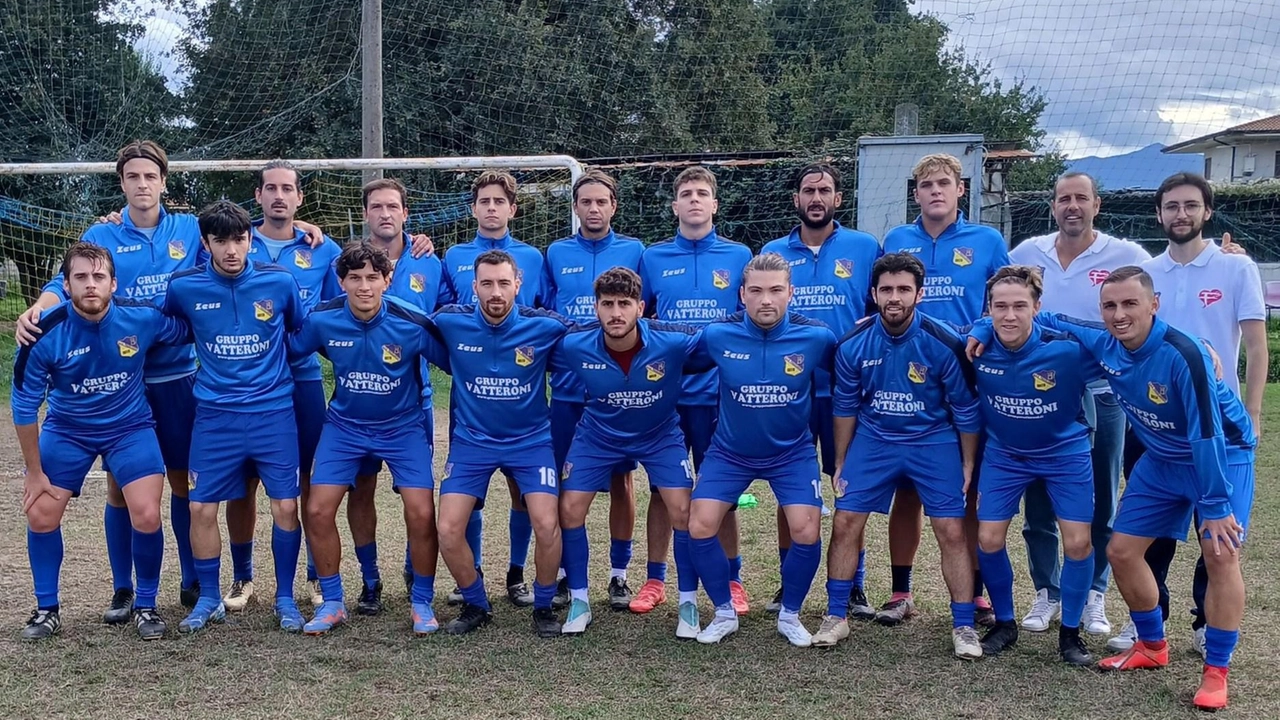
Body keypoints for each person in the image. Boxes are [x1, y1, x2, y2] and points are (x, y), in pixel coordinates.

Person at [14, 142, 325, 617]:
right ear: (122, 183)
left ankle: (192, 583)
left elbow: (240, 239)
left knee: (182, 484)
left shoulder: (187, 228)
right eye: (133, 177)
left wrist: (296, 226)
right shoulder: (104, 230)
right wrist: (43, 301)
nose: (142, 185)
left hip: (179, 379)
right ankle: (123, 589)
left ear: (164, 182)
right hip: (127, 382)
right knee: (122, 485)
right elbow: (73, 275)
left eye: (150, 177)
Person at [967, 265, 1255, 711]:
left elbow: (1207, 435)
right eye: (1110, 306)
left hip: (1221, 456)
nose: (1119, 315)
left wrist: (1215, 504)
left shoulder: (1186, 353)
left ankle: (1216, 671)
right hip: (1161, 460)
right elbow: (1049, 320)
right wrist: (987, 321)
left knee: (1220, 553)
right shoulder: (1105, 343)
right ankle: (1152, 646)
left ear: (1154, 304)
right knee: (1121, 551)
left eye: (1130, 304)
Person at [1108, 173, 1268, 658]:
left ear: (1207, 212)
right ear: (1158, 214)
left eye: (1190, 206)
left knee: (1215, 535)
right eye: (1171, 206)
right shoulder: (1145, 270)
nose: (1181, 214)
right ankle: (1149, 626)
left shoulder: (1236, 268)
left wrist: (1254, 410)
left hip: (1213, 425)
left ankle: (1206, 622)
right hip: (1153, 423)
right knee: (1144, 532)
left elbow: (1257, 346)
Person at [13, 243, 191, 641]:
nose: (90, 285)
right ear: (65, 284)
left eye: (98, 277)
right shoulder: (43, 332)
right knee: (40, 514)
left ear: (113, 282)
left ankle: (146, 604)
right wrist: (35, 472)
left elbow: (189, 328)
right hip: (67, 430)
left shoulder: (141, 317)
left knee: (145, 513)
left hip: (130, 427)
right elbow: (24, 407)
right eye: (80, 277)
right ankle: (47, 609)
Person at [815, 252, 983, 659]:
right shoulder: (853, 343)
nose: (895, 297)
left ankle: (963, 625)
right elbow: (845, 405)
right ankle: (836, 615)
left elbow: (964, 407)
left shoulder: (944, 342)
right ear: (873, 294)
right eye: (886, 289)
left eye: (903, 289)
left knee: (951, 530)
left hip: (933, 440)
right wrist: (841, 459)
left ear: (919, 294)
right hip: (875, 438)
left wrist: (966, 462)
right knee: (845, 519)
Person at [1007, 171, 1149, 636]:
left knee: (1102, 500)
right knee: (1040, 501)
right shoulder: (1028, 252)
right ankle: (1047, 591)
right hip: (1041, 398)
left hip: (1104, 396)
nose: (1072, 206)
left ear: (1096, 205)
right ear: (1053, 206)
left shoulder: (1124, 254)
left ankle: (1093, 594)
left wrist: (1227, 256)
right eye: (1064, 198)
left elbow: (1166, 280)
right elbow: (1002, 301)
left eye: (1081, 198)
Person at [161, 201, 306, 634]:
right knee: (201, 506)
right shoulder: (184, 287)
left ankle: (284, 597)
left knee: (285, 505)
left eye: (239, 239)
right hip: (214, 415)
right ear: (205, 243)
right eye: (220, 240)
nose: (231, 249)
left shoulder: (279, 281)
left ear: (250, 240)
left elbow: (298, 330)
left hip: (273, 412)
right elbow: (169, 328)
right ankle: (209, 597)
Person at [878, 153, 1010, 626]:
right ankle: (900, 591)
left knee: (967, 488)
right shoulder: (897, 239)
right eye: (926, 184)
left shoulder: (987, 240)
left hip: (968, 376)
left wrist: (976, 331)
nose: (935, 190)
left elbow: (1005, 297)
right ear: (916, 193)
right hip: (908, 377)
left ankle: (975, 591)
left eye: (944, 183)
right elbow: (885, 298)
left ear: (960, 191)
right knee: (907, 490)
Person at [290, 242, 443, 636]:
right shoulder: (323, 319)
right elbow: (286, 349)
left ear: (387, 280)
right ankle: (334, 601)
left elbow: (459, 360)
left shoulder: (412, 322)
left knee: (422, 511)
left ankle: (422, 602)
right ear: (341, 281)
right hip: (345, 427)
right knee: (319, 510)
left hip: (402, 427)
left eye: (372, 277)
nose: (363, 286)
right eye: (354, 278)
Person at [686, 253, 836, 647]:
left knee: (805, 528)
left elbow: (851, 371)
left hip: (792, 453)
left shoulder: (817, 337)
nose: (765, 300)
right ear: (742, 295)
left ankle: (790, 614)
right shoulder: (718, 335)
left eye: (774, 291)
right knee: (699, 524)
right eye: (756, 291)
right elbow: (673, 357)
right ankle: (723, 611)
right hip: (730, 451)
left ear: (791, 293)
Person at [759, 162, 880, 616]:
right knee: (790, 487)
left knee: (850, 488)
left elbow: (876, 312)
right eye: (808, 190)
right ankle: (788, 582)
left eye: (824, 190)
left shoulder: (864, 247)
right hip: (788, 392)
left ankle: (853, 584)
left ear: (837, 199)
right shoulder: (773, 251)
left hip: (848, 390)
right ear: (796, 199)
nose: (816, 197)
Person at [431, 249, 572, 637]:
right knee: (447, 528)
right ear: (473, 287)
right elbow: (403, 327)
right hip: (472, 443)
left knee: (546, 522)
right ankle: (476, 603)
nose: (496, 292)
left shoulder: (545, 326)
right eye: (487, 284)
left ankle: (544, 606)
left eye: (504, 283)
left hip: (531, 443)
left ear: (518, 285)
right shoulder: (449, 321)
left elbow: (593, 340)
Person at [555, 267, 702, 637]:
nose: (615, 313)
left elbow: (724, 336)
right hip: (599, 434)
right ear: (596, 307)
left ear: (641, 307)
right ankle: (579, 599)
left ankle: (688, 602)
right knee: (569, 508)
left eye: (624, 304)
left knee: (683, 509)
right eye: (607, 304)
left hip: (659, 434)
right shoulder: (575, 344)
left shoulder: (671, 341)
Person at [222, 160, 342, 613]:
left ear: (299, 198)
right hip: (245, 385)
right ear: (257, 197)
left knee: (311, 479)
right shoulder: (234, 242)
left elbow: (334, 306)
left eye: (287, 189)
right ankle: (242, 577)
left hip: (303, 378)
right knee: (244, 482)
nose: (278, 196)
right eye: (269, 188)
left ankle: (314, 575)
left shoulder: (322, 248)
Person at [966, 266, 1101, 665]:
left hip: (1065, 453)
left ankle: (1071, 634)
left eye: (1019, 306)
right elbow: (934, 331)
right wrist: (979, 326)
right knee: (988, 539)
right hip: (1006, 455)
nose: (1009, 316)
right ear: (988, 309)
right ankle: (1005, 624)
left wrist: (1198, 345)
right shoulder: (976, 347)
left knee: (1078, 543)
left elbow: (1126, 341)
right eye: (1000, 307)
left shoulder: (1068, 350)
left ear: (1037, 308)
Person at [636, 166, 752, 616]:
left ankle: (734, 579)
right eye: (686, 194)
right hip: (665, 393)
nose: (694, 200)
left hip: (719, 393)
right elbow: (640, 319)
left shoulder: (740, 254)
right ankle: (654, 579)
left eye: (702, 193)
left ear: (715, 204)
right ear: (675, 206)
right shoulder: (653, 257)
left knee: (720, 490)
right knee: (663, 490)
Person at [342, 177, 451, 615]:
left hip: (414, 403)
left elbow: (446, 320)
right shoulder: (347, 259)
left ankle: (414, 570)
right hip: (357, 402)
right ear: (365, 213)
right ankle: (370, 581)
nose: (385, 213)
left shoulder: (430, 260)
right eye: (376, 207)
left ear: (406, 213)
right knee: (360, 489)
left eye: (393, 206)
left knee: (416, 495)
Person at [441, 170, 549, 608]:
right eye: (482, 200)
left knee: (530, 501)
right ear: (473, 208)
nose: (490, 207)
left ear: (512, 208)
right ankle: (474, 576)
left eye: (498, 201)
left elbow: (547, 314)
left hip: (526, 408)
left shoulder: (535, 257)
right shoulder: (452, 255)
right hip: (472, 413)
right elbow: (438, 318)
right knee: (467, 502)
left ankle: (518, 574)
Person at [543, 171, 645, 610]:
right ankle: (567, 572)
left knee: (621, 481)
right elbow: (546, 311)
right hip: (568, 386)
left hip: (616, 388)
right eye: (585, 202)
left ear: (613, 206)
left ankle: (619, 574)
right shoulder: (556, 252)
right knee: (569, 482)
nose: (594, 209)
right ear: (576, 207)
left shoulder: (634, 251)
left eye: (601, 201)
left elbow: (646, 312)